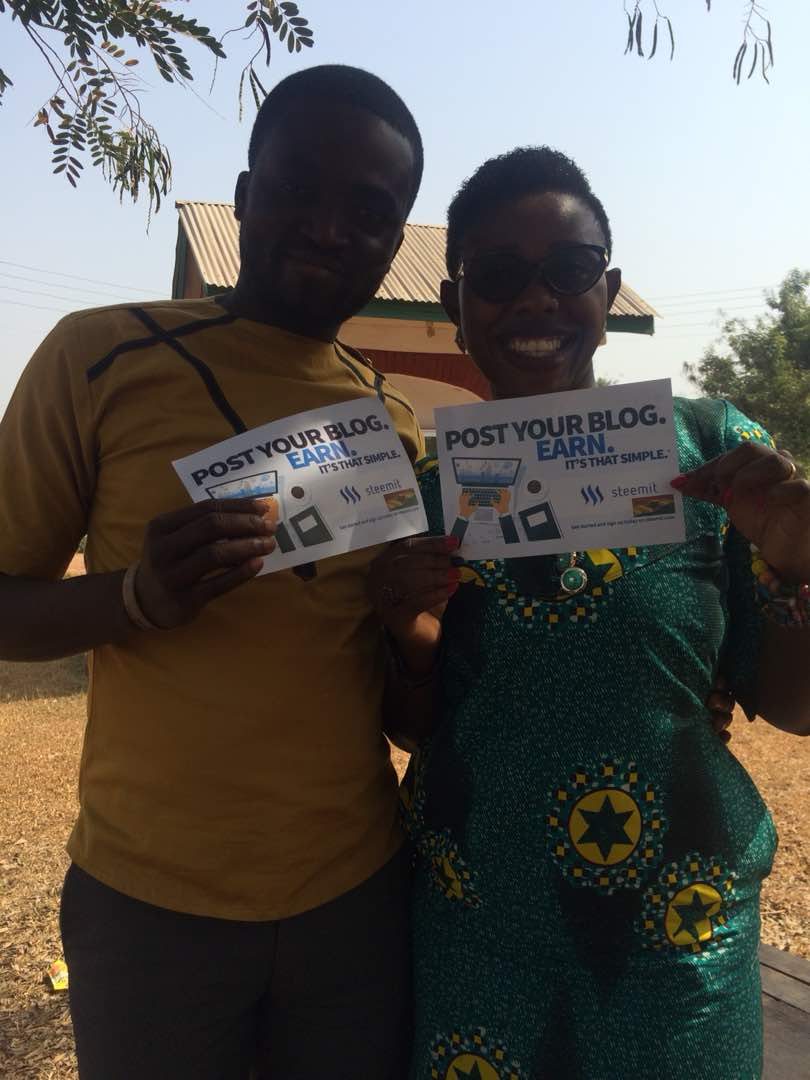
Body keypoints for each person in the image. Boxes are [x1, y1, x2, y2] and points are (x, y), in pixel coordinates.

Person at [0, 65, 426, 1079]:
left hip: (356, 904)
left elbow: (395, 697)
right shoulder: (99, 356)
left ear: (393, 242)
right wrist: (135, 598)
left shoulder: (394, 427)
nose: (328, 228)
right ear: (243, 196)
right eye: (297, 189)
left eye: (368, 212)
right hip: (151, 910)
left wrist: (415, 632)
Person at [371, 147, 810, 1080]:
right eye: (498, 275)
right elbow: (418, 730)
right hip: (476, 930)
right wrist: (409, 639)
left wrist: (796, 563)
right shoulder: (428, 492)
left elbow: (797, 707)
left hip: (680, 937)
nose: (537, 299)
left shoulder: (712, 453)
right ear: (455, 306)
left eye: (569, 270)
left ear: (606, 294)